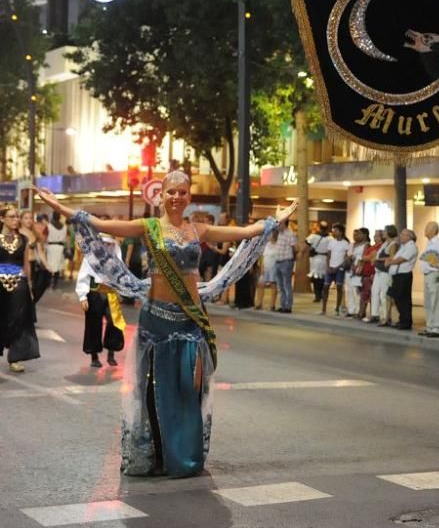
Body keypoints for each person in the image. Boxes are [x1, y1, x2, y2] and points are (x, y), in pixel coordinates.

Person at [34, 173, 297, 477]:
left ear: (188, 197)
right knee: (150, 391)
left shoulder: (199, 229)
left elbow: (243, 232)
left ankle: (183, 458)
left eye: (182, 192)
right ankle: (153, 455)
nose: (176, 197)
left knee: (189, 387)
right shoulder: (148, 228)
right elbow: (101, 225)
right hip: (155, 319)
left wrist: (273, 221)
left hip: (190, 319)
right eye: (171, 191)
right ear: (161, 195)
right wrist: (63, 208)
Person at [75, 229, 125, 368]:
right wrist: (82, 296)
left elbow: (121, 276)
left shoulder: (116, 257)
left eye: (109, 244)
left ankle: (111, 353)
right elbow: (83, 276)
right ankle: (94, 356)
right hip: (95, 293)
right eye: (104, 244)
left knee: (114, 324)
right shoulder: (90, 257)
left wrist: (121, 291)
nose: (107, 247)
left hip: (111, 294)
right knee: (93, 324)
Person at [0, 203, 40, 373]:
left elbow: (26, 265)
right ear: (2, 218)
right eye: (12, 216)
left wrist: (29, 286)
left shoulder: (24, 239)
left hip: (19, 285)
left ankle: (14, 358)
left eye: (17, 216)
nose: (16, 220)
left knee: (18, 320)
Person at [419, 221, 439, 338]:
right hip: (427, 275)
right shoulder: (429, 243)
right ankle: (430, 326)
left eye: (427, 227)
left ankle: (436, 327)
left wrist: (434, 264)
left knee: (435, 300)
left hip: (434, 274)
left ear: (434, 230)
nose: (425, 229)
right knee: (428, 301)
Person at [385, 229, 418, 330]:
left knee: (403, 299)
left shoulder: (411, 246)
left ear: (409, 237)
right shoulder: (403, 246)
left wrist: (390, 262)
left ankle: (406, 322)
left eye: (403, 234)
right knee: (398, 298)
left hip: (404, 275)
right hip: (397, 275)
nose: (401, 236)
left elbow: (402, 259)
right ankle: (402, 319)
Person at [319, 224, 351, 317]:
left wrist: (338, 267)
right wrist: (328, 266)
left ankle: (337, 308)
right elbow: (328, 255)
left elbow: (345, 257)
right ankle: (323, 308)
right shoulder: (331, 242)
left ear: (341, 232)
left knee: (339, 288)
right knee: (325, 287)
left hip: (340, 268)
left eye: (336, 230)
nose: (334, 232)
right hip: (330, 267)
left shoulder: (345, 243)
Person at [20, 210, 50, 304]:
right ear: (21, 220)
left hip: (33, 266)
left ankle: (30, 308)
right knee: (23, 292)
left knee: (36, 290)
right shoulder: (17, 233)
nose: (29, 220)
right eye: (26, 218)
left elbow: (40, 252)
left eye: (31, 218)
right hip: (21, 266)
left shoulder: (35, 233)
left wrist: (48, 266)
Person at [374, 226, 399, 326]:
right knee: (377, 293)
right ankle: (381, 315)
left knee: (384, 295)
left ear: (389, 232)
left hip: (385, 272)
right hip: (379, 271)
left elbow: (392, 257)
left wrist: (378, 260)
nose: (383, 233)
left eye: (384, 231)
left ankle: (386, 317)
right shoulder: (385, 243)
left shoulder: (393, 244)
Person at [272, 218, 298, 314]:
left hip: (286, 261)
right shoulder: (278, 233)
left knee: (287, 284)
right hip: (277, 261)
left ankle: (288, 306)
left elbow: (295, 248)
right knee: (280, 285)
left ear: (285, 224)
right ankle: (282, 305)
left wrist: (292, 259)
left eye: (280, 223)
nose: (278, 225)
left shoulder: (290, 234)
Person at [255, 230, 279, 311]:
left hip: (274, 267)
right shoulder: (266, 245)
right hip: (265, 266)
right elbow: (262, 256)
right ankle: (259, 303)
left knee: (273, 285)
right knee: (260, 284)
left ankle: (272, 305)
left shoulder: (278, 245)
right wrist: (261, 267)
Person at [306, 221, 330, 302]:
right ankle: (323, 295)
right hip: (325, 259)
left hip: (315, 259)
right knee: (323, 279)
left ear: (319, 227)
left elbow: (307, 243)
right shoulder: (330, 239)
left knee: (316, 279)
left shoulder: (313, 236)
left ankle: (317, 296)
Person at [46, 211, 68, 288]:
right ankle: (55, 283)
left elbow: (45, 236)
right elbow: (65, 238)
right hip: (60, 247)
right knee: (58, 266)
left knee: (50, 265)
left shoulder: (48, 226)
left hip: (51, 247)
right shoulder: (64, 227)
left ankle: (48, 283)